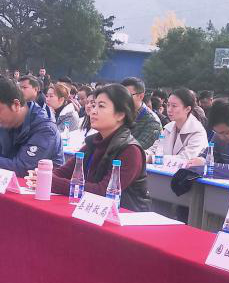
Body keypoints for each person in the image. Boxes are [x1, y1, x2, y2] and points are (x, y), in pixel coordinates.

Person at [30, 83, 151, 212]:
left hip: (125, 217)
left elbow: (103, 191)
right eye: (94, 105)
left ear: (120, 114)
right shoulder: (93, 143)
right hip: (92, 212)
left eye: (101, 106)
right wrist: (42, 176)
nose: (93, 111)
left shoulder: (130, 151)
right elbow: (64, 172)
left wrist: (51, 182)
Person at [156, 88, 208, 160]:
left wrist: (152, 158)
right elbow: (155, 148)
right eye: (168, 105)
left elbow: (185, 158)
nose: (169, 110)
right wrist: (145, 155)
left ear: (187, 109)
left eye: (174, 106)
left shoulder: (197, 132)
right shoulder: (168, 128)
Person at [121, 77, 161, 150]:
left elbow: (137, 149)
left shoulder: (152, 121)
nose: (123, 99)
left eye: (127, 95)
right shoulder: (120, 115)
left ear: (141, 96)